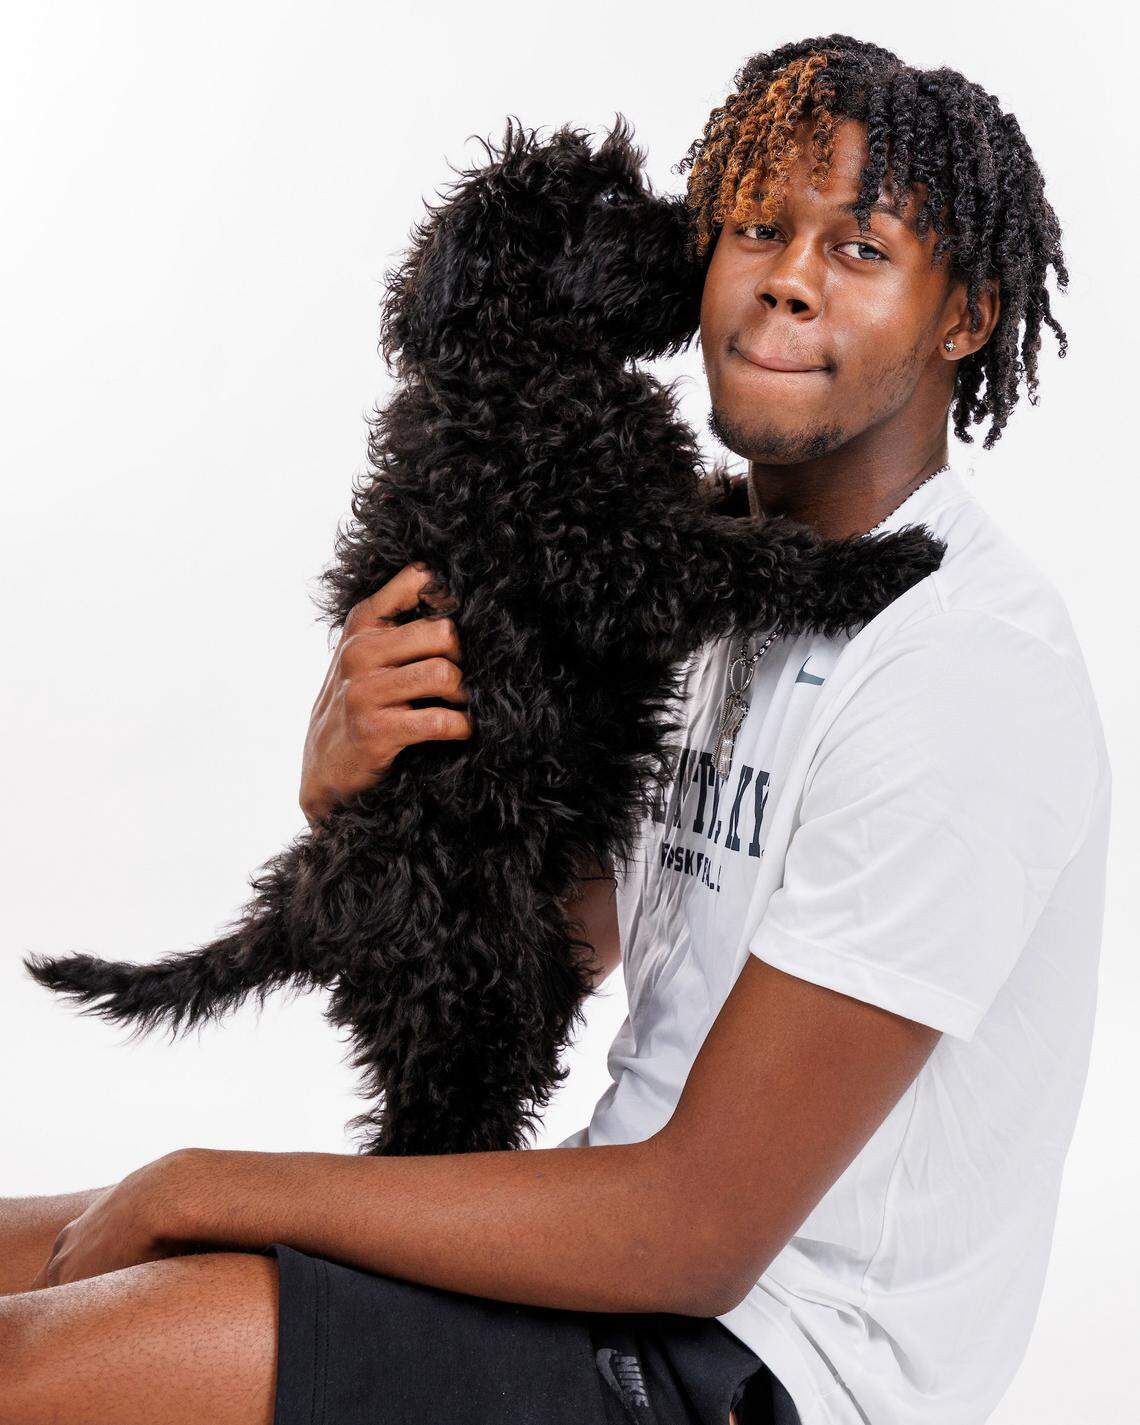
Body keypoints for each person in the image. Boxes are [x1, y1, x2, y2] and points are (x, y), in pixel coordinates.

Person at [0, 32, 1111, 1425]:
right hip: (601, 1268)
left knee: (32, 1363)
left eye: (861, 247)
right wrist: (368, 799)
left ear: (965, 318)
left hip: (756, 1363)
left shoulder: (965, 666)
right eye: (757, 224)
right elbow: (567, 938)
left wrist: (198, 1185)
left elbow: (699, 1227)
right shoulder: (702, 589)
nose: (786, 274)